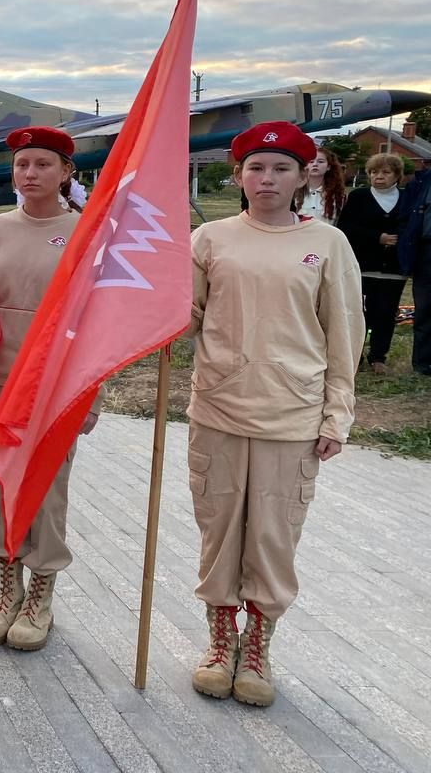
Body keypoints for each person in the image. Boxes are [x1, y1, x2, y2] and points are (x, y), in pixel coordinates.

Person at [187, 121, 363, 707]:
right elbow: (182, 318)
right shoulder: (210, 238)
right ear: (238, 176)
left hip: (292, 415)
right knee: (218, 534)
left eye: (281, 168)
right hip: (218, 409)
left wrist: (336, 415)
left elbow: (344, 335)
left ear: (302, 177)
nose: (267, 179)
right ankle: (219, 640)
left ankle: (257, 646)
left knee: (272, 538)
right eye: (256, 168)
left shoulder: (328, 244)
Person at [0, 126, 100, 651]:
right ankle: (8, 587)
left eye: (43, 164)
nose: (30, 174)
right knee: (0, 484)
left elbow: (97, 320)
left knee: (45, 489)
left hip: (55, 385)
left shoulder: (86, 232)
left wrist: (93, 391)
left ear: (66, 172)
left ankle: (40, 592)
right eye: (22, 164)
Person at [337, 154, 409, 375]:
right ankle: (355, 356)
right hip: (363, 267)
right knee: (359, 314)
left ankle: (378, 357)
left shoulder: (408, 198)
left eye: (386, 172)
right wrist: (377, 237)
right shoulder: (359, 197)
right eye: (374, 172)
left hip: (394, 269)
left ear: (397, 176)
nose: (379, 177)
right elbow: (346, 227)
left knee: (386, 314)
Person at [397, 164, 431, 375]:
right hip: (426, 251)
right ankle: (423, 363)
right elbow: (405, 218)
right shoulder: (420, 183)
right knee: (425, 309)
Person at [295, 148, 345, 223]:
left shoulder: (339, 195)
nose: (315, 164)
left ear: (328, 167)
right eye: (311, 161)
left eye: (320, 161)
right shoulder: (293, 192)